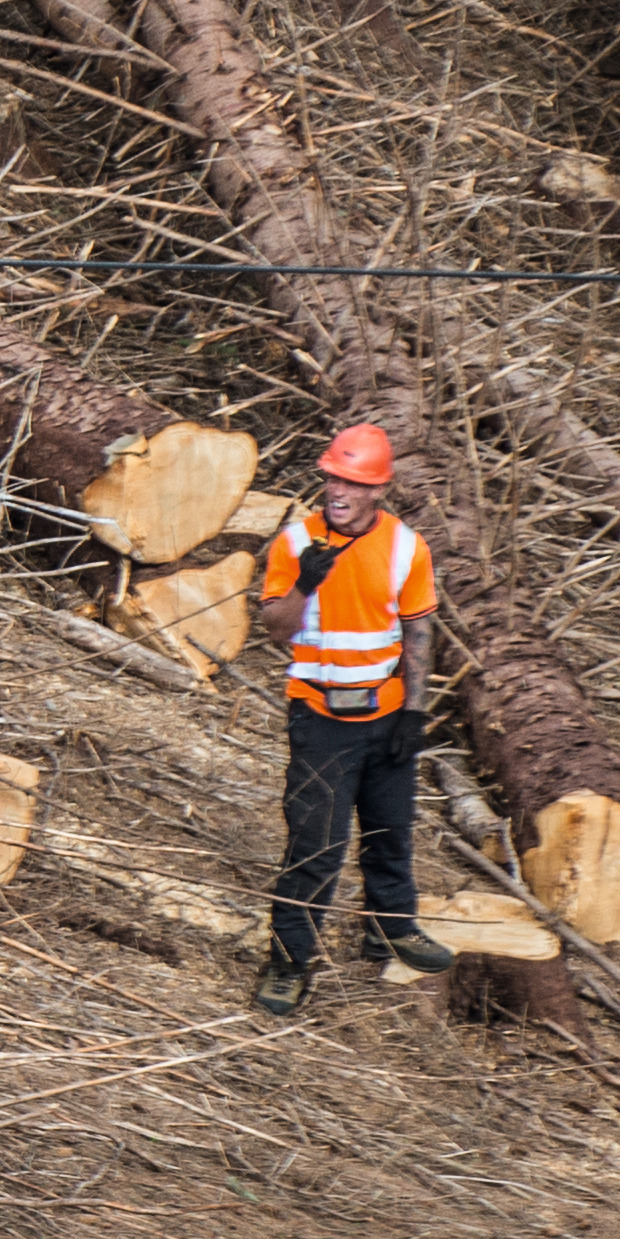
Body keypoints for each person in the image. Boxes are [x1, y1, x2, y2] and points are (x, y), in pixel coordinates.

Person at [252, 418, 437, 1016]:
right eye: (332, 478)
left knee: (390, 833)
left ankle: (390, 930)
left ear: (379, 489)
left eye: (353, 483)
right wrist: (305, 584)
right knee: (316, 847)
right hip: (320, 719)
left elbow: (419, 629)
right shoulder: (294, 543)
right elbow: (274, 629)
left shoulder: (406, 547)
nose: (338, 490)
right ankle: (288, 961)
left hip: (387, 714)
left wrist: (415, 712)